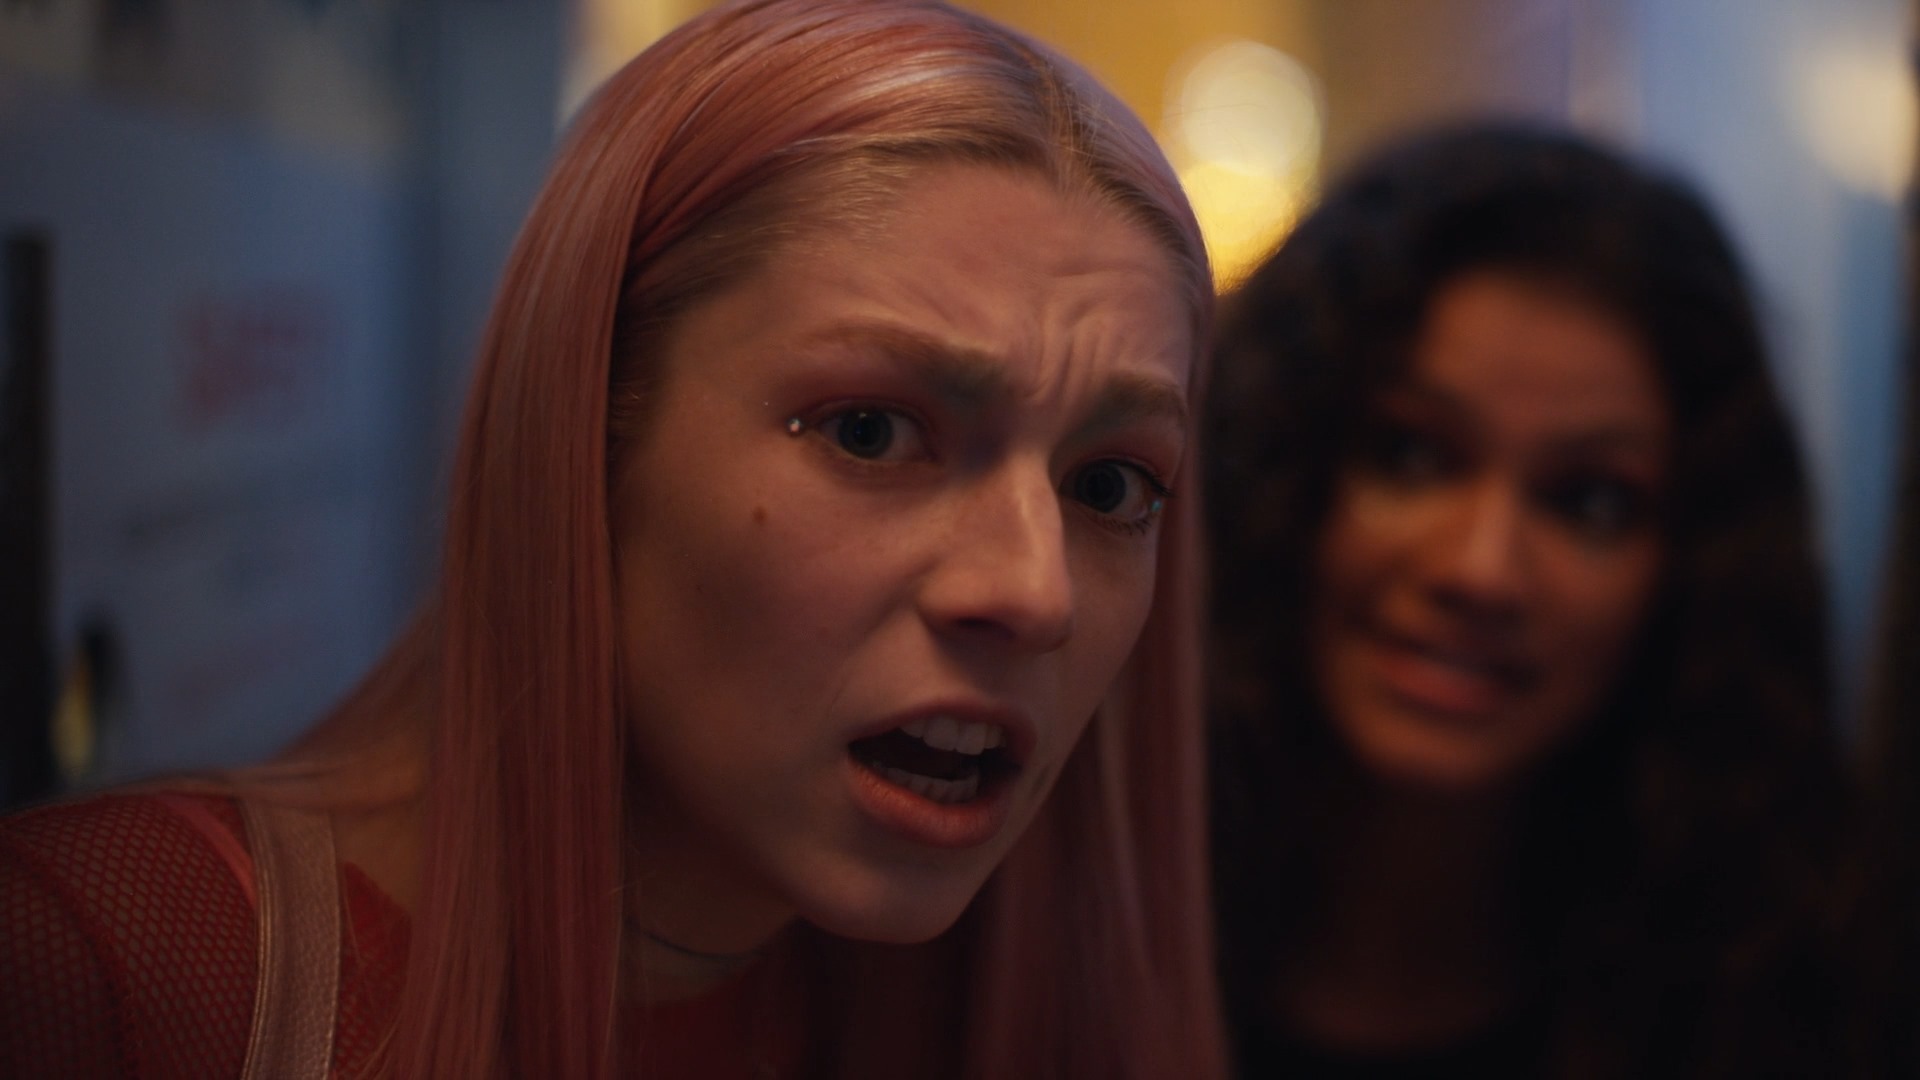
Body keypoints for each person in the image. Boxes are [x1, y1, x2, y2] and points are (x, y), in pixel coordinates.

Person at [0, 2, 1225, 1076]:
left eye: (1110, 485)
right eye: (869, 431)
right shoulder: (112, 976)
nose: (1034, 591)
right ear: (586, 432)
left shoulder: (1011, 1011)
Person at [1206, 124, 1861, 1078]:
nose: (1483, 571)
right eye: (1410, 456)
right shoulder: (1055, 960)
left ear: (1695, 568)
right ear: (1277, 470)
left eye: (1589, 502)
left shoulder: (1779, 1008)